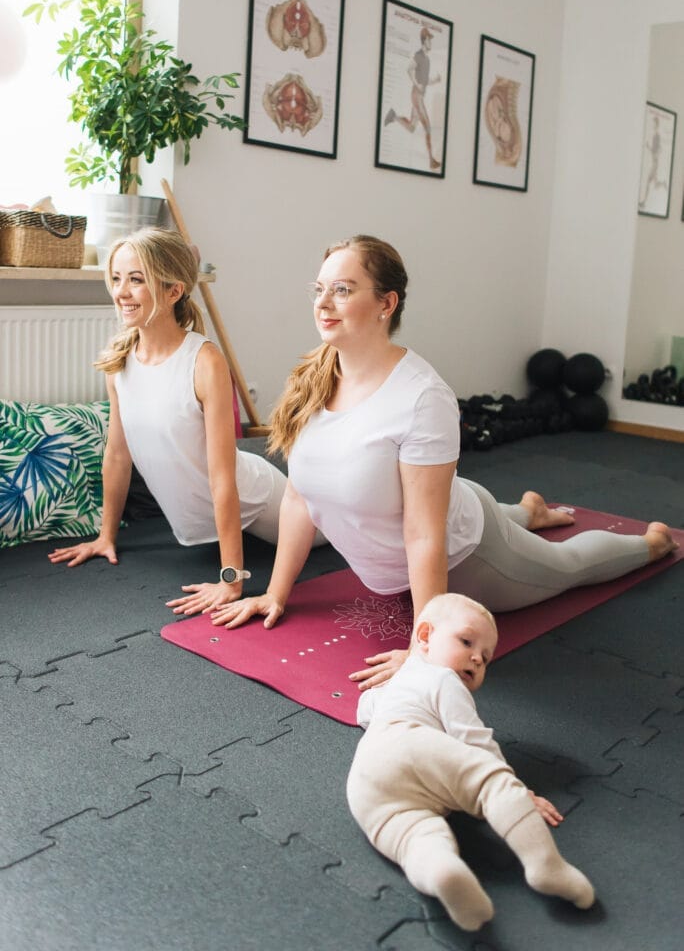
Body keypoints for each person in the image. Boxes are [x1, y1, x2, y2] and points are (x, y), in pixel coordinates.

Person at [208, 234, 677, 685]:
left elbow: (424, 529)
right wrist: (275, 593)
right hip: (437, 496)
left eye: (343, 290)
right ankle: (530, 511)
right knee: (471, 507)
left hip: (468, 552)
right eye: (319, 289)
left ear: (386, 304)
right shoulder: (312, 380)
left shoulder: (422, 397)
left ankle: (650, 545)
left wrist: (421, 645)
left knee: (568, 567)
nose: (323, 302)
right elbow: (297, 497)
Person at [48, 227, 298, 613]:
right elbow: (117, 455)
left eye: (136, 280)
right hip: (216, 512)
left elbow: (223, 475)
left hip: (259, 497)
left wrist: (231, 580)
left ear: (173, 291)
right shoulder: (119, 362)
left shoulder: (204, 361)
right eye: (116, 279)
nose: (121, 292)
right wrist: (105, 536)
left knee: (332, 536)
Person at [346, 594, 595, 931]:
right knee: (491, 782)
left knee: (412, 836)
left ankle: (442, 871)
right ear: (424, 637)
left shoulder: (395, 684)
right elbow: (475, 741)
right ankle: (544, 865)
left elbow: (364, 709)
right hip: (410, 743)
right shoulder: (444, 679)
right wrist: (521, 792)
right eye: (466, 641)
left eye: (486, 658)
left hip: (365, 777)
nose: (477, 658)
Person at [384, 27, 442, 171]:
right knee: (428, 127)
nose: (431, 43)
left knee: (411, 127)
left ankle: (394, 116)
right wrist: (416, 84)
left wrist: (434, 81)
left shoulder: (427, 60)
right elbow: (409, 70)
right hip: (417, 96)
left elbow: (424, 79)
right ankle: (431, 160)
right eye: (430, 40)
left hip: (419, 95)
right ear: (425, 40)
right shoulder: (419, 55)